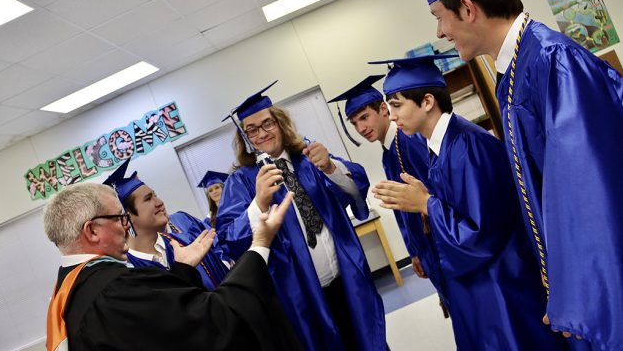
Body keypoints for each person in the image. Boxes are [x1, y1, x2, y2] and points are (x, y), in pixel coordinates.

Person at [426, 0, 623, 348]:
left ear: (468, 9)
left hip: (605, 286)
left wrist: (580, 299)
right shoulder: (516, 70)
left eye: (439, 17)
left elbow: (591, 197)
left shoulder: (552, 61)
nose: (439, 32)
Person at [370, 55, 569, 351]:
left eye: (397, 105)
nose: (393, 116)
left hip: (502, 287)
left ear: (427, 101)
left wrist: (427, 205)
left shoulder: (468, 145)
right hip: (479, 287)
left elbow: (482, 234)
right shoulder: (440, 147)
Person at [216, 81, 387, 351]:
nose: (261, 134)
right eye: (251, 129)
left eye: (267, 124)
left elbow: (355, 192)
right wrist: (259, 202)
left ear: (280, 123)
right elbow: (228, 240)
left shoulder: (309, 157)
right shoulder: (242, 182)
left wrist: (331, 167)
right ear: (245, 137)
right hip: (302, 298)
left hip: (348, 283)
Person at [44, 182, 303, 351]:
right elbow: (215, 319)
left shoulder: (70, 293)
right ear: (92, 231)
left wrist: (182, 270)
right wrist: (260, 243)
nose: (126, 226)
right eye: (120, 218)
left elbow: (166, 328)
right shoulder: (117, 289)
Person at [328, 75, 449, 308]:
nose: (361, 128)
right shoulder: (389, 150)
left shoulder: (408, 141)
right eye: (354, 123)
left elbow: (434, 194)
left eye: (364, 117)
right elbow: (402, 208)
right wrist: (414, 252)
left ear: (383, 108)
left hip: (440, 244)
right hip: (427, 247)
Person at [103, 158, 229, 290]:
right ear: (127, 218)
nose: (160, 202)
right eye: (148, 199)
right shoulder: (129, 272)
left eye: (155, 195)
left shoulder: (187, 242)